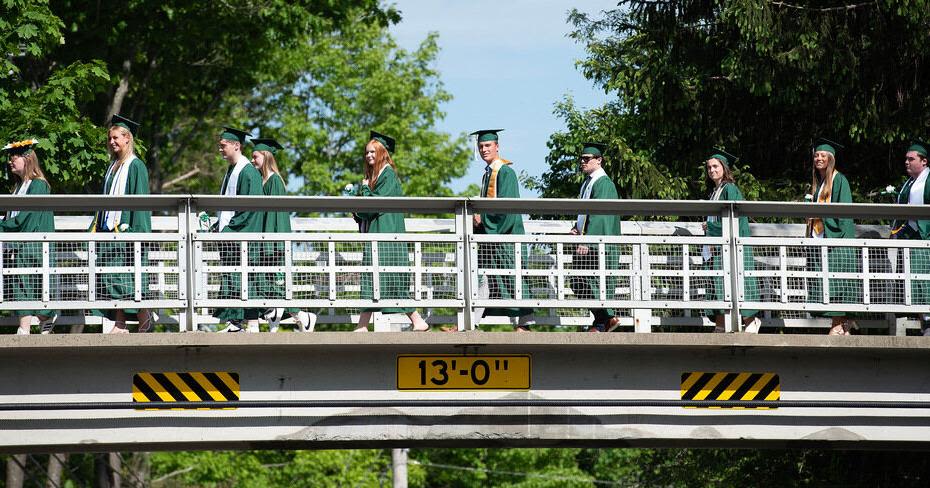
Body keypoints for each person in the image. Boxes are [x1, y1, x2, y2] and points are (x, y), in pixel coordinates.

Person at [353, 131, 430, 332]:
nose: (369, 155)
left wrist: (364, 191)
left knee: (388, 277)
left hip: (387, 234)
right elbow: (367, 210)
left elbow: (375, 205)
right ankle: (363, 325)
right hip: (379, 233)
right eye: (367, 152)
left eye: (373, 152)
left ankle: (417, 320)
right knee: (373, 276)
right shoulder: (376, 175)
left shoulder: (387, 175)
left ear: (382, 153)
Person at [91, 115, 153, 333]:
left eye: (116, 138)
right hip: (108, 230)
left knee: (130, 278)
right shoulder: (112, 166)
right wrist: (95, 225)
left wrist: (139, 232)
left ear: (127, 139)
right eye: (110, 138)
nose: (111, 142)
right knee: (111, 278)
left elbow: (141, 200)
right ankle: (119, 324)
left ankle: (145, 317)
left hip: (127, 230)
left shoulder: (136, 166)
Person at [249, 137, 316, 332]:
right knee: (267, 282)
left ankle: (303, 316)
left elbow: (275, 217)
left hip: (274, 242)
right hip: (267, 241)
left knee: (275, 284)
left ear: (266, 156)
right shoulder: (263, 181)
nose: (253, 160)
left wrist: (268, 242)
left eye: (255, 157)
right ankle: (282, 320)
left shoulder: (274, 181)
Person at [470, 129, 534, 331]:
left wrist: (483, 219)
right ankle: (470, 323)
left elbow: (507, 208)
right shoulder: (487, 174)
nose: (483, 149)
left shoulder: (505, 172)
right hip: (493, 239)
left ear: (497, 147)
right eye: (481, 146)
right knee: (483, 278)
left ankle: (525, 324)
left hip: (506, 237)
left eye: (487, 145)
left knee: (514, 279)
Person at [701, 149, 761, 333]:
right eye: (709, 167)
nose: (711, 170)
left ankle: (752, 321)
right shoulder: (715, 191)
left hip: (731, 246)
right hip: (717, 246)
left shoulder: (730, 189)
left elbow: (734, 220)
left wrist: (709, 228)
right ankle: (720, 324)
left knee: (735, 283)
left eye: (715, 166)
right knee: (717, 283)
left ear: (724, 168)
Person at [0, 139, 57, 334]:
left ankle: (38, 320)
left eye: (14, 157)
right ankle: (33, 323)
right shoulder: (17, 188)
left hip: (34, 244)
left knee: (29, 283)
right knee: (19, 283)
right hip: (19, 244)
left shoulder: (38, 186)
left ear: (27, 159)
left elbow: (25, 220)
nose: (10, 161)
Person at [214, 127, 264, 333]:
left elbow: (249, 209)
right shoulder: (232, 170)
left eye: (223, 145)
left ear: (236, 145)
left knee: (242, 278)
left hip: (242, 236)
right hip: (231, 235)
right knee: (232, 277)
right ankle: (236, 323)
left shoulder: (247, 171)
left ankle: (242, 323)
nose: (220, 149)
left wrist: (229, 230)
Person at [806, 138, 858, 335]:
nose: (818, 158)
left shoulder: (839, 180)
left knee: (837, 282)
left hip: (837, 241)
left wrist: (819, 216)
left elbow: (843, 215)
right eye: (816, 155)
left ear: (831, 159)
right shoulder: (819, 184)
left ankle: (837, 325)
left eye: (822, 155)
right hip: (822, 240)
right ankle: (842, 325)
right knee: (827, 282)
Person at [568, 143, 621, 332]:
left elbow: (600, 214)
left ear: (599, 160)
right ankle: (605, 320)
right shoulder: (588, 182)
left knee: (595, 283)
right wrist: (577, 228)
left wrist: (588, 240)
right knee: (578, 281)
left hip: (598, 245)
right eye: (581, 158)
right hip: (588, 241)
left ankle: (602, 322)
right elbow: (587, 214)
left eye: (587, 158)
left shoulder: (603, 182)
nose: (583, 162)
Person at [890, 141, 930, 335]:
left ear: (924, 161)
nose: (906, 162)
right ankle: (924, 325)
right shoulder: (910, 183)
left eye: (911, 159)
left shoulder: (928, 180)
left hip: (925, 238)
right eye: (906, 159)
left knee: (924, 282)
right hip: (909, 239)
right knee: (911, 284)